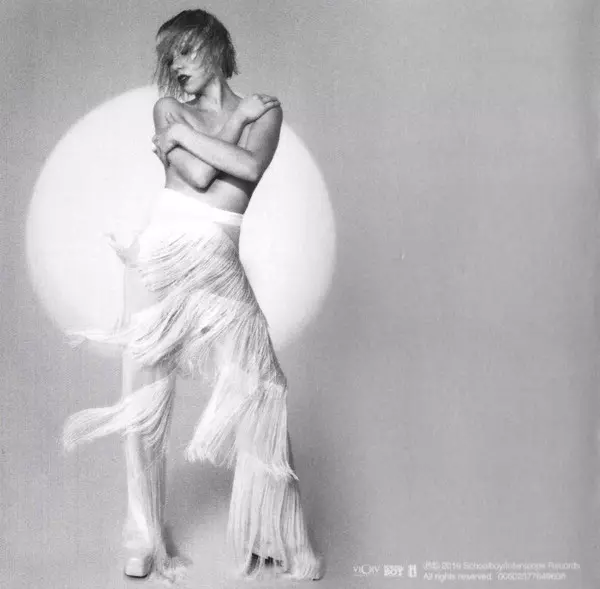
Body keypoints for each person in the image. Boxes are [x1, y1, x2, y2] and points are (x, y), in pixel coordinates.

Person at [62, 8, 323, 583]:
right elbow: (204, 179)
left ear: (215, 46)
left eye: (185, 50)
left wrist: (190, 138)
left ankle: (278, 538)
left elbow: (248, 166)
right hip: (159, 256)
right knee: (144, 402)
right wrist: (196, 131)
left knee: (261, 390)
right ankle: (143, 539)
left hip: (216, 260)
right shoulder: (168, 110)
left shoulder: (264, 111)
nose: (175, 65)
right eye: (168, 56)